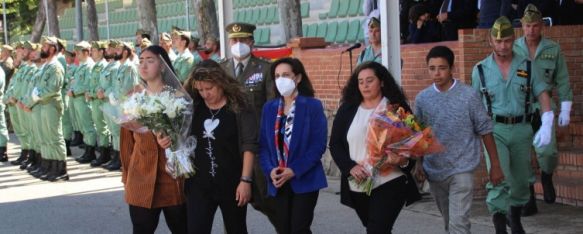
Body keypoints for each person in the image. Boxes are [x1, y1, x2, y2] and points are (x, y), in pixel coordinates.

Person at [471, 16, 552, 234]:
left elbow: (542, 93)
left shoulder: (527, 65)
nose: (503, 46)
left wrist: (547, 122)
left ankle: (514, 217)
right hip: (494, 130)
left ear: (513, 39)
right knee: (498, 175)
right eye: (498, 41)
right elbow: (475, 105)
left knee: (520, 179)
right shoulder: (480, 70)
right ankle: (500, 226)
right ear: (491, 41)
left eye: (507, 41)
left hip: (522, 128)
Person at [413, 46, 505, 234]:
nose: (437, 73)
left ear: (452, 68)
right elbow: (419, 136)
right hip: (435, 171)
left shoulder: (469, 95)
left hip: (462, 169)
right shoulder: (422, 99)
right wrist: (419, 164)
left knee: (459, 225)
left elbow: (485, 130)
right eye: (432, 68)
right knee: (450, 223)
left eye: (442, 68)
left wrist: (495, 165)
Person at [161, 60, 256, 234]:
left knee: (236, 229)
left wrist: (245, 181)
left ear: (221, 83)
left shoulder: (239, 106)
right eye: (200, 89)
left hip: (232, 182)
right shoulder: (192, 107)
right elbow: (179, 137)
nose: (205, 94)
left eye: (209, 88)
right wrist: (168, 143)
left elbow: (249, 145)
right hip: (198, 184)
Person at [329, 61, 421, 234]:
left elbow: (415, 142)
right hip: (359, 183)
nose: (364, 85)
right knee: (377, 228)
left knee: (376, 230)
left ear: (382, 82)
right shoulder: (347, 109)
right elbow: (335, 144)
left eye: (370, 80)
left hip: (391, 180)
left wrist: (401, 160)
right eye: (360, 81)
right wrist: (350, 167)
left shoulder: (397, 108)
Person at [513, 4, 573, 216]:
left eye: (535, 26)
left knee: (547, 152)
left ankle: (547, 175)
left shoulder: (552, 49)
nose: (531, 30)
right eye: (527, 26)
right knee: (522, 156)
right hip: (519, 107)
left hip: (544, 108)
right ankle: (529, 198)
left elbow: (563, 81)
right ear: (522, 25)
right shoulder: (512, 48)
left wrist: (566, 109)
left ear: (542, 26)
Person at [120, 45, 187, 234]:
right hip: (140, 176)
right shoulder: (133, 96)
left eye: (150, 60)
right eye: (141, 61)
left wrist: (173, 141)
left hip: (172, 176)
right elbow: (126, 142)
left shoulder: (178, 96)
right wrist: (126, 175)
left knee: (182, 228)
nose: (144, 65)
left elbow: (189, 135)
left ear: (163, 65)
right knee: (141, 229)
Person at [258, 58, 328, 234]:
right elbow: (264, 146)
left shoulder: (312, 106)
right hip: (278, 179)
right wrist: (270, 170)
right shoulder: (269, 107)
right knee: (283, 228)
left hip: (304, 178)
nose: (281, 79)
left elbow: (317, 146)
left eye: (286, 75)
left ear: (297, 78)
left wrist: (294, 170)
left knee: (299, 228)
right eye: (277, 76)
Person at [219, 21, 277, 227]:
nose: (238, 43)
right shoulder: (220, 70)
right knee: (232, 209)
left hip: (258, 146)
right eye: (234, 40)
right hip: (229, 148)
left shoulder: (265, 69)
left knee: (268, 202)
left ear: (251, 42)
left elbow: (272, 108)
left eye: (243, 39)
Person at [20, 36, 68, 181]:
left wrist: (36, 96)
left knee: (54, 137)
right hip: (43, 104)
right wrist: (32, 99)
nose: (42, 49)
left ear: (53, 49)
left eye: (45, 46)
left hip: (51, 104)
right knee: (46, 137)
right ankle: (49, 166)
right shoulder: (47, 65)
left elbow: (53, 88)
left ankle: (60, 170)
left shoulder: (55, 66)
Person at [104, 41, 139, 171]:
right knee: (118, 133)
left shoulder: (130, 67)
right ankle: (119, 158)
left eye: (118, 50)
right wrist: (112, 94)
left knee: (126, 135)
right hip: (119, 104)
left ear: (125, 52)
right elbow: (116, 86)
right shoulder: (121, 66)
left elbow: (130, 88)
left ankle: (126, 161)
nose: (115, 52)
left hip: (126, 105)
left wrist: (117, 97)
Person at [69, 41, 98, 163]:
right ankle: (87, 149)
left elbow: (87, 84)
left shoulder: (89, 66)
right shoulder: (82, 65)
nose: (77, 55)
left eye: (79, 52)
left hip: (83, 99)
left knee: (88, 126)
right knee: (82, 126)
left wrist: (75, 92)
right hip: (77, 99)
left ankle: (90, 151)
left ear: (86, 52)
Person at [85, 41, 112, 167]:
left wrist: (93, 94)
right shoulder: (96, 66)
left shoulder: (103, 66)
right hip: (94, 101)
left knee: (103, 128)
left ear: (102, 52)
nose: (92, 53)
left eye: (94, 51)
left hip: (100, 100)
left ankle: (105, 153)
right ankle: (102, 152)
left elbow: (102, 86)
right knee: (99, 127)